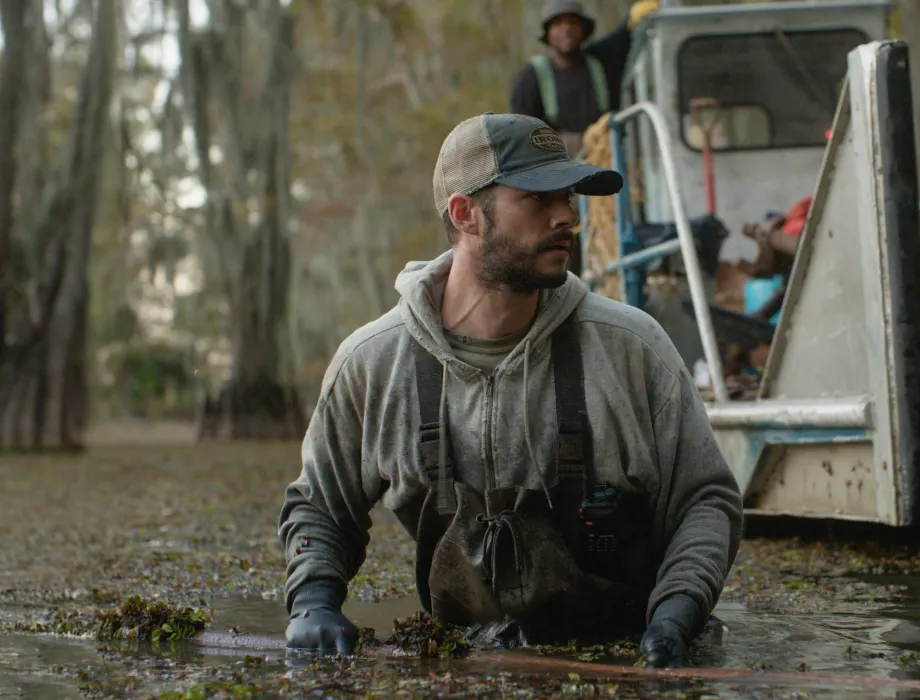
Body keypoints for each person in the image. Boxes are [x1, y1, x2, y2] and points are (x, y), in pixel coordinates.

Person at [277, 112, 744, 669]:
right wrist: (313, 603)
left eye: (568, 197)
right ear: (465, 213)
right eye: (538, 198)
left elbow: (705, 500)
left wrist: (677, 613)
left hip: (633, 657)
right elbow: (320, 508)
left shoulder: (631, 348)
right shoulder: (373, 364)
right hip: (458, 664)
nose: (567, 217)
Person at [509, 0, 659, 156]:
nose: (566, 28)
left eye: (573, 22)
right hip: (559, 167)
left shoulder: (601, 61)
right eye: (558, 23)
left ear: (583, 29)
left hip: (607, 157)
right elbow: (521, 134)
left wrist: (633, 15)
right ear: (547, 33)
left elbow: (622, 35)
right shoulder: (532, 76)